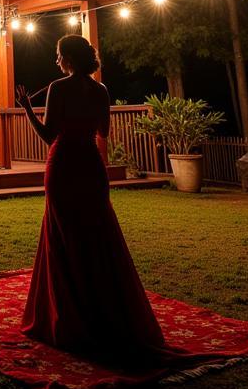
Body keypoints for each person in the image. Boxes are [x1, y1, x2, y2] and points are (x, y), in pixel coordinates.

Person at [16, 35, 165, 362]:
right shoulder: (101, 91)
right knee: (97, 239)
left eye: (58, 56)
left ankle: (69, 318)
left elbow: (49, 136)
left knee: (63, 238)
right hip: (91, 168)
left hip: (64, 165)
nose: (56, 62)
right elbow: (103, 133)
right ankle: (104, 310)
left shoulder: (58, 87)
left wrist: (27, 109)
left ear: (69, 57)